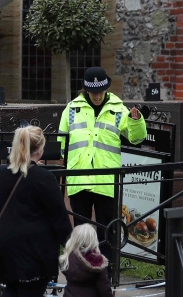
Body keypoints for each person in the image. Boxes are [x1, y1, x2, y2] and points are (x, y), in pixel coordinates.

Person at [0, 125, 73, 297]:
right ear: (40, 149)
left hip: (4, 243)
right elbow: (59, 217)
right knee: (32, 293)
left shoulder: (0, 174)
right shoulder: (44, 178)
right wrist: (70, 245)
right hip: (35, 246)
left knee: (12, 287)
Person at [58, 66, 146, 264]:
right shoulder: (72, 109)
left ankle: (107, 273)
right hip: (79, 179)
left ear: (105, 88)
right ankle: (83, 270)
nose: (97, 96)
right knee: (82, 230)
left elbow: (136, 138)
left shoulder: (118, 109)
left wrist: (136, 120)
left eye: (100, 92)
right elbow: (61, 142)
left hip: (107, 180)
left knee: (108, 229)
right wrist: (69, 162)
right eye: (93, 92)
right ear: (85, 90)